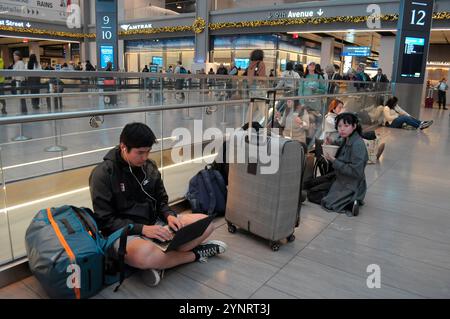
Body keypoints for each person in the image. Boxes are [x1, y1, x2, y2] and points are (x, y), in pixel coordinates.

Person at [89, 123, 227, 286]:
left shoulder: (149, 166)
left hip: (156, 224)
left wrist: (169, 215)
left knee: (207, 223)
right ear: (123, 147)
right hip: (125, 233)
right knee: (144, 254)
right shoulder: (103, 174)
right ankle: (195, 254)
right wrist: (142, 229)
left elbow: (161, 200)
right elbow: (106, 221)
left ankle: (161, 262)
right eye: (140, 152)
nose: (145, 157)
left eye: (148, 152)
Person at [321, 112, 369, 216]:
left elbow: (356, 172)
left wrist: (335, 161)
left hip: (351, 183)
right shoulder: (348, 138)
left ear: (354, 126)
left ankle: (351, 203)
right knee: (315, 186)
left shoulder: (358, 144)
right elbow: (341, 144)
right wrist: (331, 141)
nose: (342, 129)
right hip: (341, 178)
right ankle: (350, 201)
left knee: (321, 198)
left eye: (346, 126)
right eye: (339, 126)